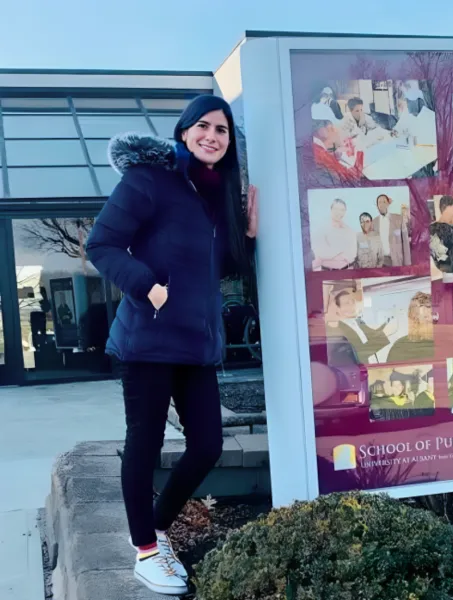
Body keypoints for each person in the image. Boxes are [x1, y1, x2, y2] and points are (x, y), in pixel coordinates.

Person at [85, 95, 257, 597]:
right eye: (202, 126)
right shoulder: (149, 180)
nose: (212, 136)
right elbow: (101, 244)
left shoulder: (216, 193)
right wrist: (148, 286)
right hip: (148, 340)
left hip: (196, 345)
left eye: (222, 130)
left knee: (207, 446)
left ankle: (155, 529)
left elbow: (216, 268)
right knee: (145, 444)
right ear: (183, 132)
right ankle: (145, 552)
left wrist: (248, 236)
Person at [325, 287, 396, 365]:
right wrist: (385, 333)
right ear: (338, 309)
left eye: (353, 302)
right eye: (347, 303)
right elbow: (359, 352)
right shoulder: (337, 329)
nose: (352, 305)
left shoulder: (358, 322)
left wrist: (386, 324)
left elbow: (372, 335)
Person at [386, 292, 434, 363]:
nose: (431, 319)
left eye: (433, 314)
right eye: (425, 317)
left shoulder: (444, 344)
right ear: (414, 319)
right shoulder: (400, 347)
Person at [311, 199, 358, 270]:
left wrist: (333, 251)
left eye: (342, 210)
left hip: (347, 270)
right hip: (327, 272)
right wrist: (342, 250)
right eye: (336, 209)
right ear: (331, 209)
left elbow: (353, 254)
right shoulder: (322, 229)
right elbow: (321, 253)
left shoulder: (349, 230)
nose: (339, 212)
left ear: (345, 212)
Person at [373, 194, 411, 267]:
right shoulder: (374, 222)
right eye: (379, 202)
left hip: (396, 261)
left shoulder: (399, 219)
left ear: (388, 204)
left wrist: (408, 264)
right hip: (380, 263)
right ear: (377, 206)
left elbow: (406, 243)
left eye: (384, 202)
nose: (382, 204)